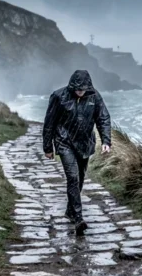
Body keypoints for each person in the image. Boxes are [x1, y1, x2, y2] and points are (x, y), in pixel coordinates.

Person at [42, 69, 111, 236]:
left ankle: (69, 210)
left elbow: (103, 118)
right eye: (77, 89)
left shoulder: (95, 96)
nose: (80, 92)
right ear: (71, 86)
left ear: (88, 87)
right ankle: (78, 218)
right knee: (72, 177)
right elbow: (49, 122)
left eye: (83, 89)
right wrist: (48, 147)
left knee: (79, 178)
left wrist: (106, 141)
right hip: (64, 142)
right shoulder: (59, 96)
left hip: (85, 144)